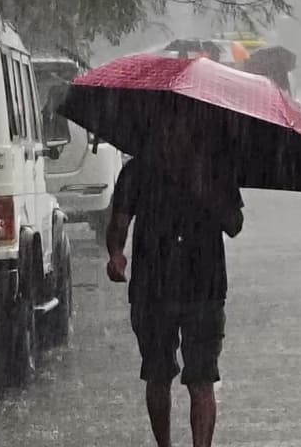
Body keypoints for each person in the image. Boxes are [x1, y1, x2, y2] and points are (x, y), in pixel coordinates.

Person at [106, 139, 244, 447]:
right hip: (153, 289)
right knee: (157, 374)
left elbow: (235, 224)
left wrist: (207, 190)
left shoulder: (215, 169)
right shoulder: (138, 171)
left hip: (204, 287)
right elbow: (119, 222)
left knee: (202, 377)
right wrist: (116, 253)